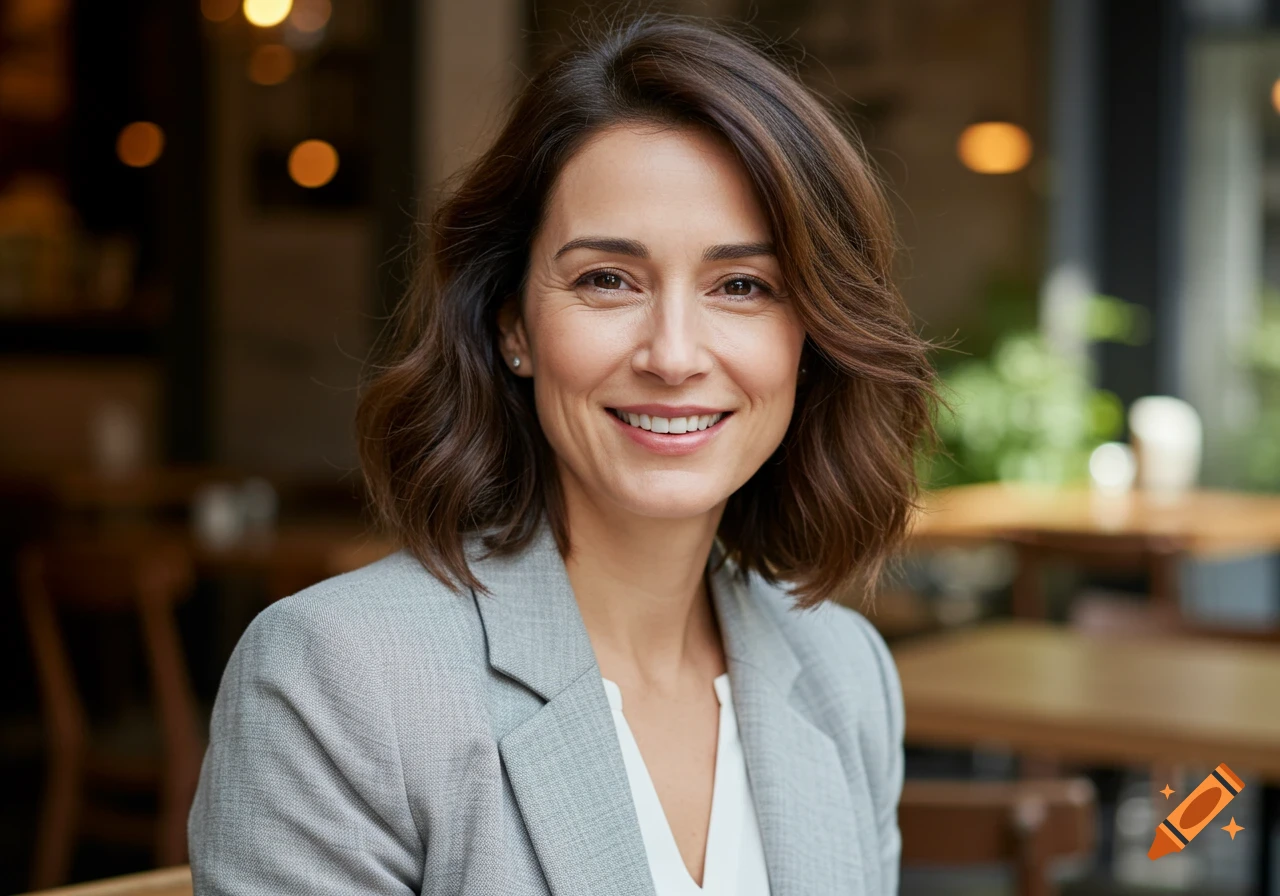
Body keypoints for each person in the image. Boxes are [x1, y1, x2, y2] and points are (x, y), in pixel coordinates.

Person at [188, 13, 937, 896]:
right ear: (513, 324)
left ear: (811, 337)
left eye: (742, 286)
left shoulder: (846, 674)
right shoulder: (340, 679)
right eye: (606, 280)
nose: (673, 353)